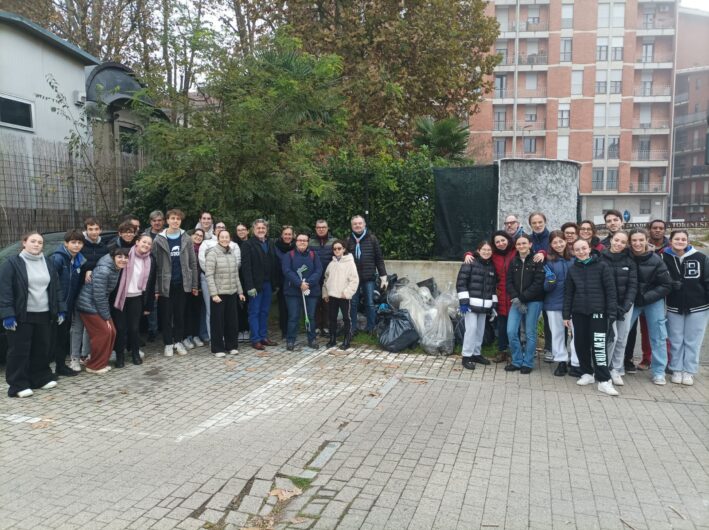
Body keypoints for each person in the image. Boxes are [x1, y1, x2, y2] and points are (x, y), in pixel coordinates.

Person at [0, 232, 65, 397]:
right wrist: (8, 314)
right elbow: (5, 290)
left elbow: (56, 288)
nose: (36, 245)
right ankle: (18, 384)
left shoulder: (48, 263)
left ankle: (40, 377)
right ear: (24, 243)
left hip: (44, 313)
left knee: (41, 348)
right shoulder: (12, 263)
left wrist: (60, 308)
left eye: (40, 242)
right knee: (19, 350)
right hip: (22, 315)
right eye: (33, 241)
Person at [563, 239, 619, 396]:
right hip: (579, 312)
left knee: (599, 346)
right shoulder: (573, 269)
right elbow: (568, 294)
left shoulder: (602, 266)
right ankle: (587, 373)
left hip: (598, 313)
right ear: (573, 252)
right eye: (577, 249)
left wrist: (612, 313)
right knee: (580, 344)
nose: (581, 252)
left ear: (589, 249)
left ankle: (604, 380)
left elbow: (611, 291)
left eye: (583, 248)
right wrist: (566, 315)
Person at [662, 230, 709, 386]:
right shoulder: (664, 257)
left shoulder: (701, 258)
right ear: (671, 241)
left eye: (683, 239)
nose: (680, 241)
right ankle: (676, 369)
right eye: (677, 239)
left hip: (698, 306)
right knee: (676, 340)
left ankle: (689, 371)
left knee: (693, 341)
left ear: (688, 241)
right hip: (674, 306)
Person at [628, 228, 672, 385]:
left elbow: (666, 285)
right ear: (630, 241)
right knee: (621, 333)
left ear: (647, 240)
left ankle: (659, 371)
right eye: (634, 240)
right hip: (632, 301)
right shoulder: (626, 257)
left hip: (652, 301)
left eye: (641, 240)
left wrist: (646, 297)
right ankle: (616, 366)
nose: (637, 243)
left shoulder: (656, 259)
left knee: (658, 335)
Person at [152, 209, 199, 357]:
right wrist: (156, 288)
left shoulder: (186, 238)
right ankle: (168, 343)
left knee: (180, 314)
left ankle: (178, 341)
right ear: (167, 220)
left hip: (182, 283)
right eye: (173, 218)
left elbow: (192, 262)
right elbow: (154, 265)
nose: (175, 221)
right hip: (165, 284)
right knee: (166, 315)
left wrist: (194, 284)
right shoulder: (159, 239)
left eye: (178, 219)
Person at [75, 249, 129, 374]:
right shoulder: (104, 270)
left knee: (112, 332)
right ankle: (94, 365)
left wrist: (106, 316)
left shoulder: (115, 268)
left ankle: (101, 362)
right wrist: (106, 317)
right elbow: (98, 296)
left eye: (126, 257)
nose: (123, 259)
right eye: (119, 256)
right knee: (103, 332)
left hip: (96, 305)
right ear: (113, 257)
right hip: (88, 305)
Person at [600, 231, 637, 387]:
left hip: (625, 306)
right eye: (616, 240)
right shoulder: (601, 258)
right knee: (610, 338)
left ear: (626, 244)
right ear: (611, 240)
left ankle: (616, 368)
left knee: (622, 338)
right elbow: (598, 283)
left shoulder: (630, 261)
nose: (618, 244)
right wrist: (611, 305)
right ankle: (604, 369)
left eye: (622, 242)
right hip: (607, 305)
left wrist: (627, 305)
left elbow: (632, 285)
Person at [112, 235, 156, 366]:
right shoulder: (126, 254)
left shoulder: (150, 260)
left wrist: (148, 305)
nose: (146, 245)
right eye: (144, 242)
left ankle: (135, 354)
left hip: (137, 298)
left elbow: (151, 283)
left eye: (149, 243)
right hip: (120, 298)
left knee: (134, 328)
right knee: (120, 328)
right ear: (137, 242)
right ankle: (120, 356)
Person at [504, 235, 545, 374]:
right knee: (511, 331)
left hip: (534, 301)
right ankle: (516, 361)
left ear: (530, 244)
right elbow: (508, 281)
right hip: (516, 301)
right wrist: (516, 297)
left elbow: (539, 282)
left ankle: (527, 362)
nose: (521, 246)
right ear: (516, 246)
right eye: (519, 244)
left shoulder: (537, 260)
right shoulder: (513, 261)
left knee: (530, 333)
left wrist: (522, 297)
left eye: (524, 243)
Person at [49, 230, 85, 376]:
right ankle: (45, 370)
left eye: (79, 243)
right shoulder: (58, 258)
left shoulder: (78, 260)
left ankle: (60, 366)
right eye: (73, 242)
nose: (76, 246)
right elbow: (51, 284)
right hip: (56, 306)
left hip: (68, 305)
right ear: (66, 243)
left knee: (62, 337)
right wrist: (56, 306)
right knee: (52, 338)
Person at [456, 241, 497, 370]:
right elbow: (461, 283)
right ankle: (466, 356)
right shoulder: (470, 262)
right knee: (471, 329)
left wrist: (493, 305)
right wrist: (463, 303)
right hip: (470, 306)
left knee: (480, 330)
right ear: (478, 250)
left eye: (489, 250)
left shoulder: (491, 266)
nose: (486, 252)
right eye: (484, 250)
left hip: (484, 306)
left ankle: (476, 354)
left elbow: (493, 288)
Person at [205, 230, 246, 357]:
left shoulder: (232, 253)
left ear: (230, 238)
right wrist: (213, 294)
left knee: (232, 322)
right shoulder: (213, 253)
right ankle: (218, 348)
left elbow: (236, 275)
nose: (224, 239)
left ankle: (232, 346)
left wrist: (240, 292)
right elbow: (209, 275)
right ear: (218, 239)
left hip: (232, 292)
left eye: (227, 237)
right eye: (222, 237)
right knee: (217, 322)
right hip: (219, 294)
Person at [241, 219, 280, 350]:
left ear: (266, 230)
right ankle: (255, 339)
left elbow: (274, 262)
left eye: (263, 228)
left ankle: (263, 337)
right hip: (255, 285)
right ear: (253, 229)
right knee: (254, 312)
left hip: (268, 283)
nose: (261, 230)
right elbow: (246, 268)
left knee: (264, 311)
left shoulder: (270, 243)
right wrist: (249, 286)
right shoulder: (248, 244)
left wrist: (275, 282)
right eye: (258, 228)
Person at [281, 232, 323, 350]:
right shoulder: (289, 255)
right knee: (293, 316)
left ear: (308, 242)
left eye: (305, 240)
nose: (302, 242)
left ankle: (312, 339)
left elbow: (318, 270)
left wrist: (308, 283)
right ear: (296, 241)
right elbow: (287, 271)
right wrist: (299, 283)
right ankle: (290, 340)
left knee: (310, 316)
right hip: (293, 292)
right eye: (300, 240)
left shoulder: (313, 255)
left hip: (311, 291)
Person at [542, 231, 577, 377]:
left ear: (565, 241)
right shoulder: (548, 261)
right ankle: (561, 361)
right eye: (555, 242)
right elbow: (545, 287)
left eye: (560, 241)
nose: (558, 245)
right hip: (554, 302)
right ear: (550, 244)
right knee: (557, 334)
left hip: (575, 303)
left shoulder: (574, 259)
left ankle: (576, 363)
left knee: (576, 334)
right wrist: (550, 281)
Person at [198, 222, 239, 344]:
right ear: (215, 231)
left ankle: (228, 341)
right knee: (213, 312)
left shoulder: (233, 247)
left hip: (230, 284)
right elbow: (203, 262)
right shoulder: (207, 244)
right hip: (212, 283)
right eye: (218, 228)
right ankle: (215, 340)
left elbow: (236, 264)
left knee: (228, 315)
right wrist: (216, 277)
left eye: (223, 228)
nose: (221, 230)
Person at [346, 215, 388, 334]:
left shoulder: (372, 239)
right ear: (352, 226)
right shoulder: (348, 240)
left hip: (368, 277)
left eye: (360, 223)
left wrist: (383, 276)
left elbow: (379, 259)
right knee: (353, 303)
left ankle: (371, 328)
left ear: (364, 225)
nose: (357, 226)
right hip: (353, 279)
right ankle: (352, 328)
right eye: (355, 224)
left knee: (369, 303)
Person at [322, 240, 359, 350]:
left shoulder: (350, 263)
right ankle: (332, 339)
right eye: (334, 249)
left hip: (343, 296)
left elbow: (354, 280)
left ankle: (347, 340)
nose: (337, 251)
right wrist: (325, 293)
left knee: (346, 318)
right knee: (332, 318)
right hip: (332, 295)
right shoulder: (331, 263)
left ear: (344, 249)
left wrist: (347, 293)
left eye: (339, 248)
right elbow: (326, 279)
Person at [528, 212, 553, 364]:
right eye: (534, 223)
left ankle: (550, 348)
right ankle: (529, 347)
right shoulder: (528, 239)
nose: (537, 225)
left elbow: (558, 252)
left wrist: (544, 252)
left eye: (540, 222)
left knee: (550, 319)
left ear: (545, 222)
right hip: (532, 284)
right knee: (531, 319)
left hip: (549, 284)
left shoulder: (551, 238)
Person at [490, 231, 516, 363]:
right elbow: (478, 253)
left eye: (503, 240)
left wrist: (542, 253)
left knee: (514, 327)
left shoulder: (515, 251)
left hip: (514, 295)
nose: (501, 243)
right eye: (497, 242)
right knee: (501, 326)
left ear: (508, 239)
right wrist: (468, 254)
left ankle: (514, 352)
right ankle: (502, 351)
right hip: (500, 295)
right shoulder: (493, 255)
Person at [310, 220, 337, 337]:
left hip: (329, 277)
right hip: (314, 277)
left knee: (327, 302)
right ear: (315, 229)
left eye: (323, 227)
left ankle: (326, 326)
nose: (321, 229)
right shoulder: (310, 242)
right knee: (315, 302)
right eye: (318, 227)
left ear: (327, 228)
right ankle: (316, 326)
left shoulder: (334, 241)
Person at [144, 210, 164, 341]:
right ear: (151, 222)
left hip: (165, 271)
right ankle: (152, 330)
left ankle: (167, 328)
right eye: (154, 220)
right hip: (149, 272)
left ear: (163, 221)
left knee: (166, 302)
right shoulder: (145, 235)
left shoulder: (167, 234)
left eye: (159, 220)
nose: (157, 223)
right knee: (153, 303)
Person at [186, 228, 207, 348]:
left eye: (201, 236)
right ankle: (188, 336)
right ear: (191, 235)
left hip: (199, 284)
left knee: (197, 311)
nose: (198, 237)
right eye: (196, 235)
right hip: (187, 285)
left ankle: (196, 335)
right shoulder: (187, 248)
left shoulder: (202, 250)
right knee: (187, 311)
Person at [274, 225, 296, 340]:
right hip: (281, 281)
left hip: (294, 281)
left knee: (294, 307)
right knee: (283, 307)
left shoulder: (296, 247)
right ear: (282, 235)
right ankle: (284, 330)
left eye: (289, 234)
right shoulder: (275, 247)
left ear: (293, 236)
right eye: (285, 234)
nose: (287, 236)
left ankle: (293, 329)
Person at [234, 223, 251, 341]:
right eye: (238, 230)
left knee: (249, 306)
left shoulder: (251, 244)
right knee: (238, 306)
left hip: (249, 280)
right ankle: (240, 330)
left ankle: (248, 329)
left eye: (243, 230)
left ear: (248, 231)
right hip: (236, 279)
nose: (241, 232)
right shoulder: (233, 245)